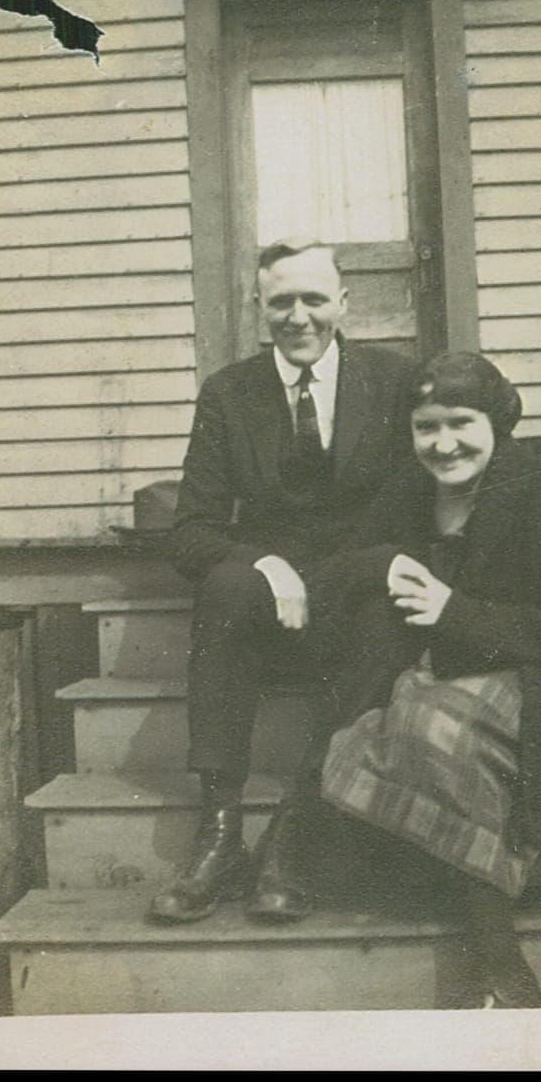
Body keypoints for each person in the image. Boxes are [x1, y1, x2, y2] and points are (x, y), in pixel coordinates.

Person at [317, 350, 541, 1007]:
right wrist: (384, 561)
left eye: (460, 423)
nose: (443, 445)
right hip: (453, 673)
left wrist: (454, 612)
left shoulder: (537, 490)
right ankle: (527, 920)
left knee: (436, 728)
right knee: (397, 723)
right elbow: (338, 566)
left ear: (496, 421)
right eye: (426, 427)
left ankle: (498, 960)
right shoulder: (410, 491)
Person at [148, 236, 412, 925]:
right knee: (224, 588)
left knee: (387, 614)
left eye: (314, 299)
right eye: (281, 301)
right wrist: (262, 563)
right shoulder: (230, 395)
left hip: (358, 590)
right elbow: (190, 530)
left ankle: (297, 832)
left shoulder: (394, 382)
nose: (299, 316)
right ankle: (222, 832)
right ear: (259, 308)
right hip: (271, 593)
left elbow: (418, 509)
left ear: (343, 304)